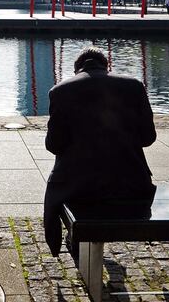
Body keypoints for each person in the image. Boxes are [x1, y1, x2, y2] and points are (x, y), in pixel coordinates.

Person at [43, 47, 156, 256]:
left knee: (56, 183)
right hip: (130, 185)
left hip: (78, 188)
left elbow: (54, 145)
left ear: (77, 69)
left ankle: (66, 243)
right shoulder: (134, 86)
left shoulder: (60, 91)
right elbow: (148, 138)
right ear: (107, 66)